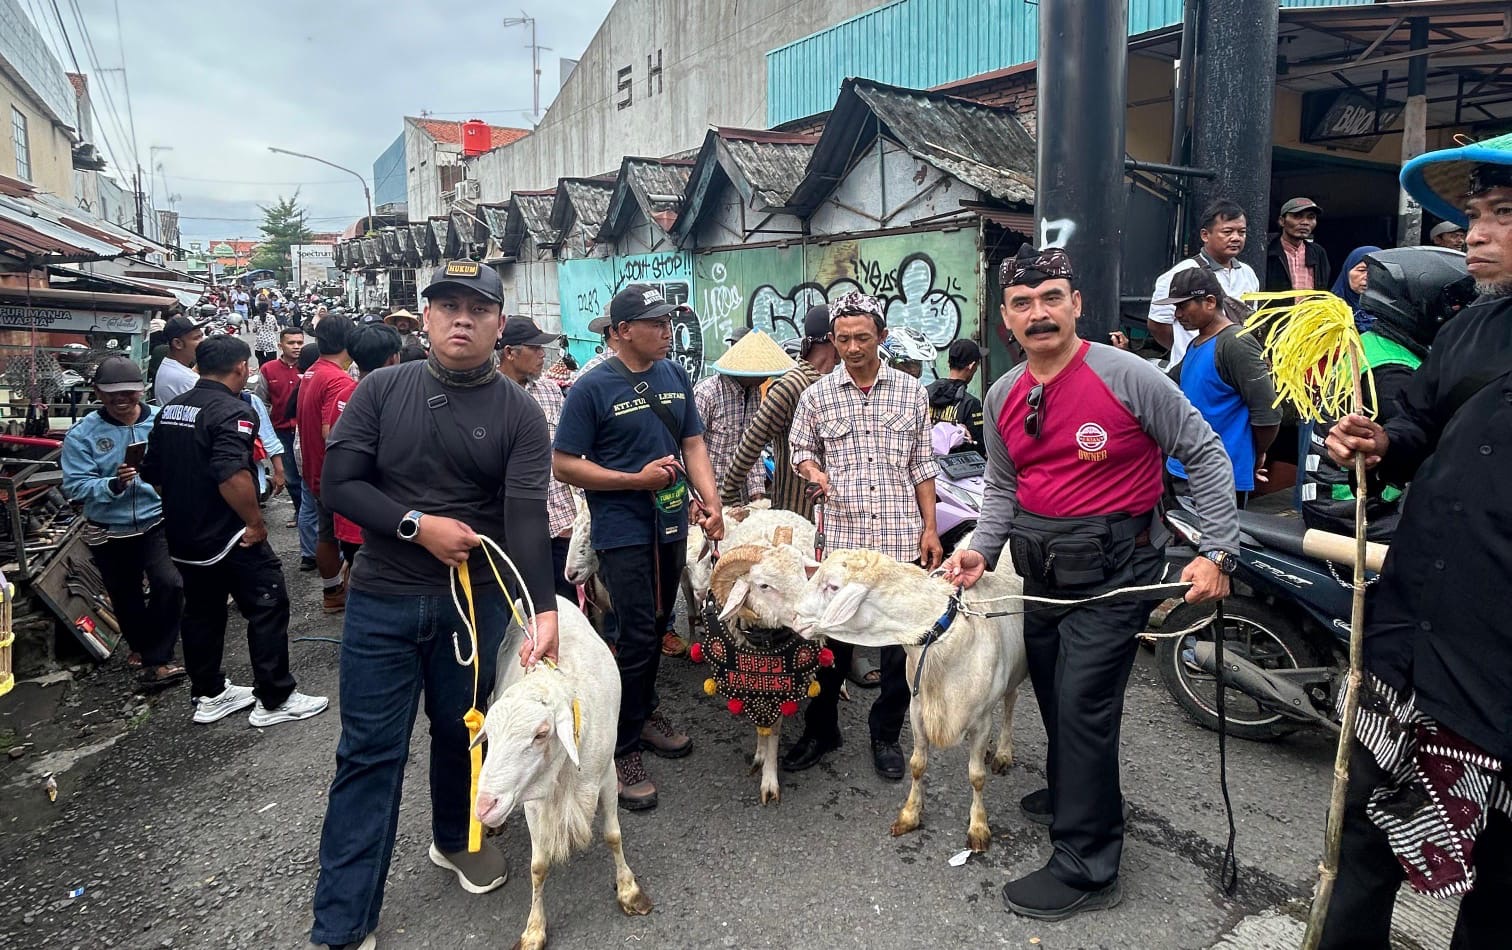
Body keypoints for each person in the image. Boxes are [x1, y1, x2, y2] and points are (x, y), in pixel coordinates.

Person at [941, 246, 1238, 921]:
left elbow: (1204, 452)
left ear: (1076, 304)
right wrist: (981, 551)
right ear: (1006, 319)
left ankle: (1088, 861)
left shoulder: (1129, 377)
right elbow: (1003, 487)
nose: (1038, 313)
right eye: (1023, 303)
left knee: (1081, 704)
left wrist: (1219, 549)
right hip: (1040, 576)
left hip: (1113, 573)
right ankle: (1077, 791)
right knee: (1049, 691)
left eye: (1052, 298)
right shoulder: (1002, 393)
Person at [311, 262, 560, 950]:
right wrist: (418, 525)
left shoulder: (520, 412)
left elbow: (526, 518)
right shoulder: (381, 391)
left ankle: (456, 838)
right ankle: (343, 919)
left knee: (465, 734)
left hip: (475, 609)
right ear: (423, 318)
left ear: (498, 325)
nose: (461, 319)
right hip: (383, 600)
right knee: (369, 754)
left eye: (477, 309)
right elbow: (339, 484)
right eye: (446, 306)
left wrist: (543, 610)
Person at [1318, 132, 1512, 949]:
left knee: (1502, 885)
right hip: (1409, 640)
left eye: (1502, 215)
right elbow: (1419, 425)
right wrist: (1378, 441)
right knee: (1364, 837)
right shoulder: (1473, 327)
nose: (1475, 233)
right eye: (1473, 216)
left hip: (1500, 668)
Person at [553, 283, 726, 811]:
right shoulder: (591, 387)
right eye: (656, 322)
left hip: (672, 524)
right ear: (623, 331)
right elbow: (565, 464)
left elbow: (692, 442)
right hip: (624, 531)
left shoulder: (675, 376)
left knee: (656, 626)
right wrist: (635, 480)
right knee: (632, 635)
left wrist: (711, 500)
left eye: (669, 320)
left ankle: (643, 711)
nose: (668, 330)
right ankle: (619, 749)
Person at [789, 290, 942, 781]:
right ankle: (822, 729)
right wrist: (814, 472)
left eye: (862, 337)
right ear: (832, 340)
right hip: (844, 543)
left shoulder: (912, 392)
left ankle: (886, 735)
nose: (852, 347)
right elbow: (799, 451)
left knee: (898, 648)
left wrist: (932, 528)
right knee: (833, 643)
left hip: (899, 541)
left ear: (881, 335)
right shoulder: (817, 396)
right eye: (843, 338)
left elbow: (923, 465)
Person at [140, 334, 327, 728]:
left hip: (183, 535)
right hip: (229, 535)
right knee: (267, 603)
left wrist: (186, 504)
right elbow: (231, 473)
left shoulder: (172, 408)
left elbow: (152, 471)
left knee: (202, 612)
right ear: (242, 367)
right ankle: (275, 697)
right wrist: (255, 523)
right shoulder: (233, 410)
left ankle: (209, 693)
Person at [1301, 246, 1474, 540]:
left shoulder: (1374, 344)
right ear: (1424, 304)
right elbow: (1422, 447)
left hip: (1329, 500)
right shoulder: (1393, 371)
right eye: (1454, 308)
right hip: (1354, 510)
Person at [61, 357, 184, 690]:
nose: (121, 399)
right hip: (108, 527)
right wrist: (110, 485)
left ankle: (159, 659)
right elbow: (73, 484)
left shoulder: (160, 421)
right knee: (125, 594)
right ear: (98, 393)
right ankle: (142, 646)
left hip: (156, 518)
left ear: (141, 389)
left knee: (170, 582)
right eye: (112, 393)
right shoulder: (83, 434)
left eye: (128, 392)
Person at [1153, 268, 1280, 508]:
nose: (1177, 314)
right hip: (1183, 467)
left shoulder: (1235, 344)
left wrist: (1256, 452)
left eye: (1183, 306)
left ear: (1210, 302)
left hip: (1216, 476)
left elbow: (1268, 413)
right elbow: (1166, 384)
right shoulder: (1196, 343)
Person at [719, 305, 838, 519]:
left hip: (835, 516)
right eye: (845, 337)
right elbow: (750, 445)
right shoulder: (789, 387)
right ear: (832, 338)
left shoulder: (836, 387)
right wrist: (728, 500)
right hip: (795, 516)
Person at [497, 316, 578, 604]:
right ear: (509, 352)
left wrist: (574, 513)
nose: (544, 354)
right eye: (535, 348)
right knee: (518, 605)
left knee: (564, 603)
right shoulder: (488, 396)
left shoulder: (550, 390)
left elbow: (563, 452)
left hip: (559, 520)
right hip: (513, 524)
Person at [1147, 199, 1260, 367]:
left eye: (1241, 232)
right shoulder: (1181, 273)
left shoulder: (1248, 273)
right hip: (1191, 369)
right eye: (1227, 232)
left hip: (1234, 369)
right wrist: (1185, 349)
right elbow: (1157, 325)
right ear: (1205, 235)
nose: (1236, 238)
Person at [329, 323, 404, 564]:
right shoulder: (398, 400)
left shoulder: (344, 395)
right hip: (386, 516)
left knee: (356, 570)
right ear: (394, 359)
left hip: (349, 511)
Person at [298, 314, 357, 613]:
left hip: (314, 469)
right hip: (331, 474)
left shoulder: (312, 372)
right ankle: (339, 593)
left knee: (325, 533)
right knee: (343, 537)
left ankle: (332, 591)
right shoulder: (338, 380)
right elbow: (330, 432)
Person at [262, 327, 309, 540]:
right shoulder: (268, 370)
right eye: (291, 343)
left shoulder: (309, 367)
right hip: (280, 430)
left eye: (300, 343)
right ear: (281, 345)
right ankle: (300, 511)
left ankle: (307, 514)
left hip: (305, 430)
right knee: (290, 476)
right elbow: (261, 402)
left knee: (308, 474)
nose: (297, 347)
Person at [1265, 196, 1332, 293]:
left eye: (1311, 217)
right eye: (1297, 216)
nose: (1305, 222)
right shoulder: (1268, 249)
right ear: (1282, 221)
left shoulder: (1318, 253)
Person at [926, 339, 986, 446]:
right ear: (971, 366)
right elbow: (977, 446)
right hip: (958, 462)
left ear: (948, 363)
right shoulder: (971, 403)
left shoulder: (925, 393)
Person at [153, 315, 208, 404]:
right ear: (178, 343)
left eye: (202, 336)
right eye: (196, 338)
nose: (203, 342)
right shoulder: (187, 379)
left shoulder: (170, 364)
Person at [1330, 245, 1383, 333]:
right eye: (1361, 270)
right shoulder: (1330, 310)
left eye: (1376, 271)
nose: (1368, 276)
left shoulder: (1395, 312)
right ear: (1347, 272)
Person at [247, 300, 280, 366]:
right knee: (272, 360)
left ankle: (262, 369)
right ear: (267, 308)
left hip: (260, 340)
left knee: (260, 359)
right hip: (270, 339)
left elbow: (254, 330)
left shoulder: (256, 318)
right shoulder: (272, 317)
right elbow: (276, 329)